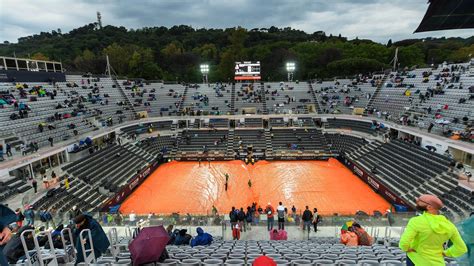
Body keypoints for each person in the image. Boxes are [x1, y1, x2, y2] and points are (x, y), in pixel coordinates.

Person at [399, 194, 467, 265]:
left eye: (421, 201)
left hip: (416, 260)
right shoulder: (450, 225)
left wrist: (406, 248)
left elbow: (404, 243)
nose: (417, 201)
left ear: (429, 207)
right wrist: (446, 253)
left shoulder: (416, 221)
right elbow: (461, 248)